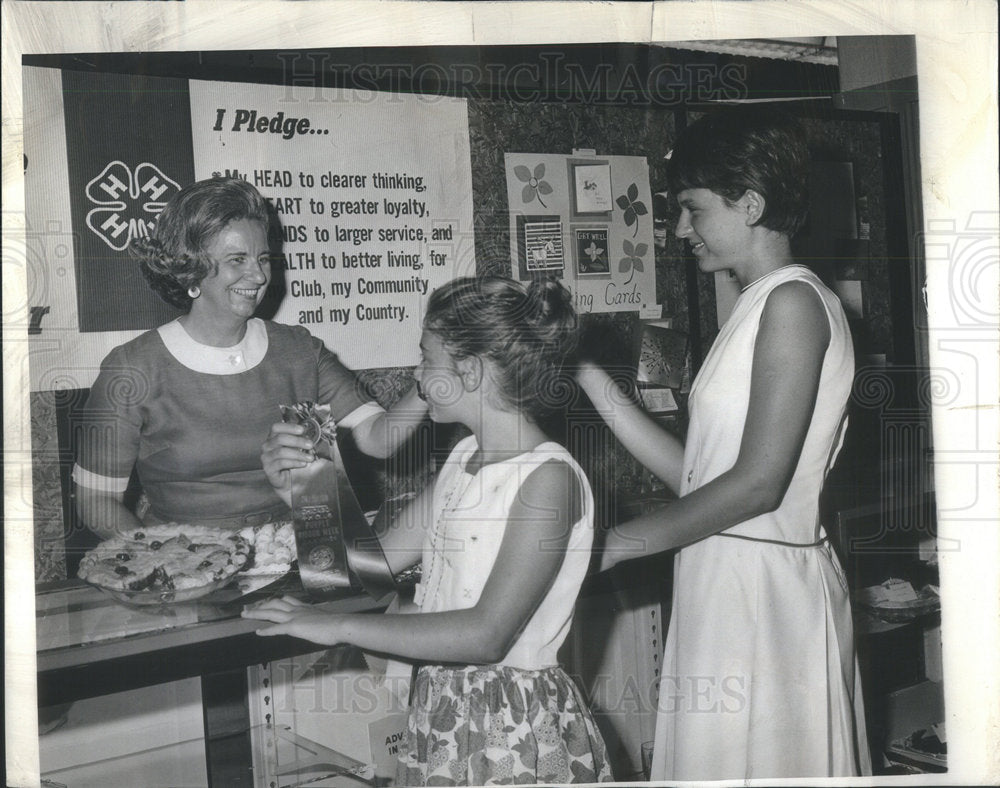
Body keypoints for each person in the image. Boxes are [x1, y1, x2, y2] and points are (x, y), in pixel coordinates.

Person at [578, 109, 872, 780]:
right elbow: (699, 476)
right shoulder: (757, 305)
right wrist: (588, 375)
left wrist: (612, 546)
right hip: (726, 575)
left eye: (693, 209)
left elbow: (758, 484)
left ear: (751, 204)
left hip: (764, 590)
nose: (681, 229)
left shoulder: (793, 304)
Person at [245, 276, 613, 786]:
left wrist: (336, 626)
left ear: (471, 371)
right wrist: (301, 488)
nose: (417, 376)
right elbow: (370, 566)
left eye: (426, 359)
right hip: (443, 710)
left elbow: (486, 636)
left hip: (511, 727)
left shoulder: (548, 478)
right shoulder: (463, 458)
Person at [73, 176, 425, 537]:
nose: (258, 276)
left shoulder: (299, 349)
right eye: (237, 259)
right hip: (184, 556)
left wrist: (428, 384)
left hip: (300, 550)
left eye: (263, 258)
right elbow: (95, 500)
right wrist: (163, 558)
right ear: (191, 269)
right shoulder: (131, 367)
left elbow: (380, 440)